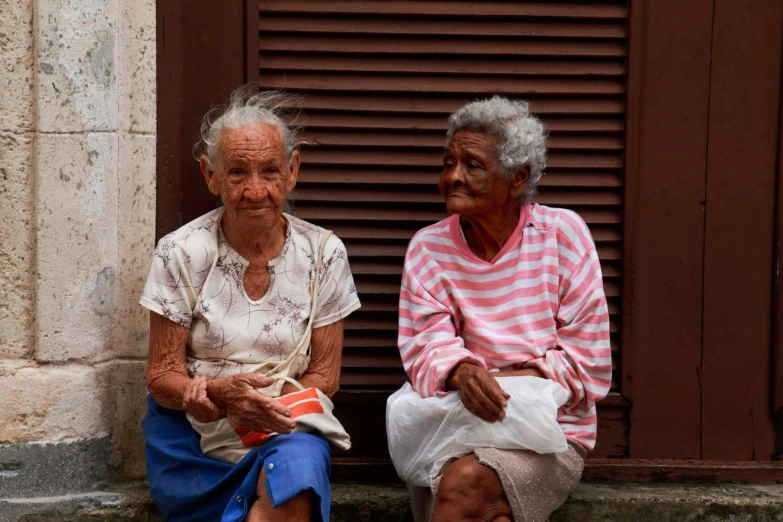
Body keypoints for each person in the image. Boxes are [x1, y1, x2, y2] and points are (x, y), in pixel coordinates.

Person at [139, 86, 361, 522]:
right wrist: (214, 396)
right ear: (211, 176)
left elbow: (325, 377)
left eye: (269, 171)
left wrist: (264, 412)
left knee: (294, 485)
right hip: (192, 436)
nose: (255, 190)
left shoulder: (324, 253)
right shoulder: (180, 252)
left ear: (292, 172)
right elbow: (161, 374)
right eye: (237, 173)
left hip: (286, 423)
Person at [397, 96, 612, 522]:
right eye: (448, 163)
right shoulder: (429, 248)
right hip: (453, 430)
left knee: (464, 488)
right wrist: (461, 373)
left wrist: (499, 384)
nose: (452, 177)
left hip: (549, 435)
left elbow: (588, 365)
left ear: (517, 178)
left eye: (472, 165)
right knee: (476, 499)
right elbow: (425, 349)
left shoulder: (563, 236)